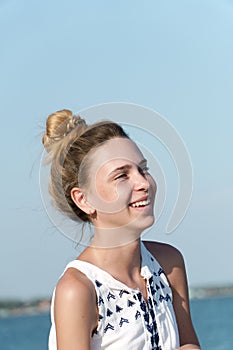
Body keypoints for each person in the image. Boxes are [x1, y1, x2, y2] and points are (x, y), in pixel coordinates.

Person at [42, 109, 201, 350]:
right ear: (84, 199)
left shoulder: (169, 264)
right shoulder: (78, 290)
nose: (143, 183)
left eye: (143, 169)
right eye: (121, 176)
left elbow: (188, 344)